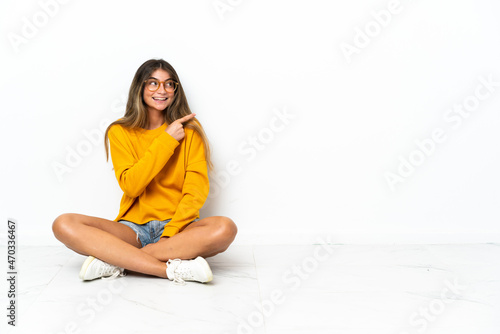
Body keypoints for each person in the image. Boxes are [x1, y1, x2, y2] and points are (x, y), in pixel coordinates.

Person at [52, 59, 237, 284]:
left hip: (179, 230)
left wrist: (171, 234)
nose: (162, 90)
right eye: (153, 83)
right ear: (140, 87)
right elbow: (132, 185)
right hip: (132, 230)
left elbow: (195, 191)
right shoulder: (120, 131)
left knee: (225, 228)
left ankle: (117, 260)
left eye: (169, 84)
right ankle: (170, 269)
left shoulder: (190, 133)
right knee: (63, 224)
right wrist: (166, 140)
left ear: (176, 90)